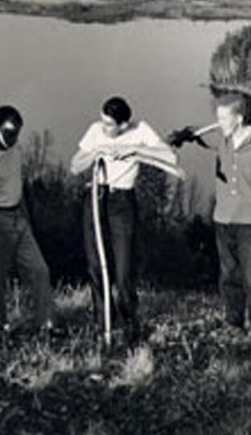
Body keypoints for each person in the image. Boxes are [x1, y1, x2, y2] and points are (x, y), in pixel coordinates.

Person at [180, 94, 251, 344]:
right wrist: (183, 135)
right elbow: (197, 135)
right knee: (228, 273)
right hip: (223, 216)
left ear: (239, 118)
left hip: (250, 219)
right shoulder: (221, 137)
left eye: (223, 118)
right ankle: (234, 323)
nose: (219, 122)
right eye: (217, 117)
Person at [70, 96, 176, 344]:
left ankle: (129, 323)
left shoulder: (139, 129)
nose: (105, 128)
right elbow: (75, 166)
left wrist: (135, 149)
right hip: (96, 197)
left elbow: (170, 157)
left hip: (122, 203)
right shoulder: (96, 131)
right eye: (103, 121)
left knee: (123, 265)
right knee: (96, 263)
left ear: (124, 124)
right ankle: (103, 322)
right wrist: (96, 152)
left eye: (110, 125)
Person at [0, 106, 55, 342]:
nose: (13, 137)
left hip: (18, 218)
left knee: (40, 270)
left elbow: (20, 189)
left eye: (17, 132)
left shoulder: (16, 151)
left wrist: (27, 222)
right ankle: (0, 329)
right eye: (8, 132)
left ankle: (45, 324)